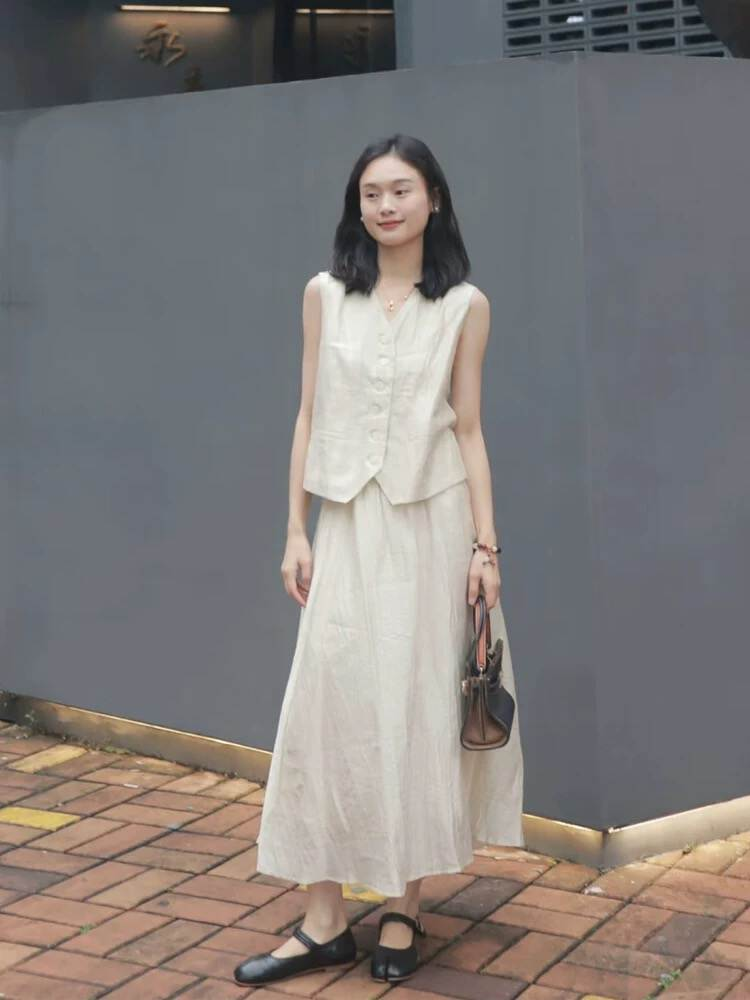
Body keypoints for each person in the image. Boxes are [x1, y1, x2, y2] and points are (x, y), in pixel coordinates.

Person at [234, 133, 524, 989]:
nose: (385, 206)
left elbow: (468, 429)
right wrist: (295, 530)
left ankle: (404, 904)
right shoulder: (325, 294)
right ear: (356, 206)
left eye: (400, 190)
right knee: (327, 711)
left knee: (417, 709)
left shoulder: (465, 305)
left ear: (434, 198)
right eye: (371, 193)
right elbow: (307, 414)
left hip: (433, 526)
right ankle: (323, 921)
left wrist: (486, 546)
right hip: (349, 524)